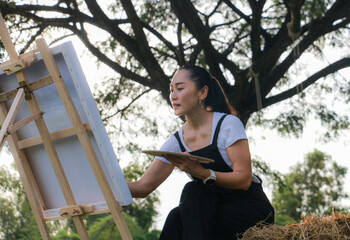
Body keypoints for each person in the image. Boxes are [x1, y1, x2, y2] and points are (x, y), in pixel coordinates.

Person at [127, 65, 274, 240]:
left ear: (202, 92)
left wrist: (203, 173)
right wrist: (101, 184)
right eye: (171, 90)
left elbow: (244, 180)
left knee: (192, 193)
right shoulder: (176, 141)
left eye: (180, 88)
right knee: (179, 212)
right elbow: (143, 187)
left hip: (249, 209)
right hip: (209, 210)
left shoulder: (227, 124)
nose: (173, 95)